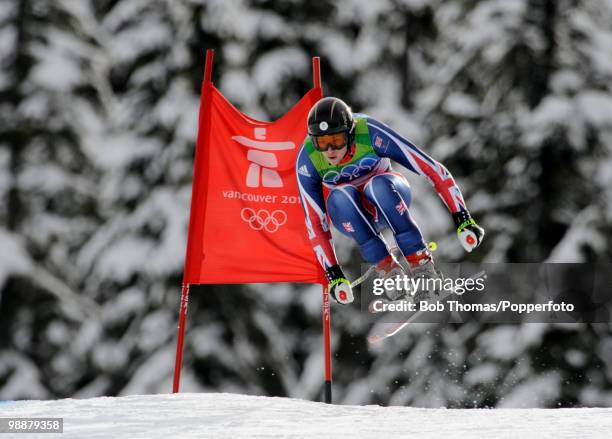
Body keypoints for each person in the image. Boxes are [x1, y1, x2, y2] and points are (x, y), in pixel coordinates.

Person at [296, 97, 485, 305]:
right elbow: (315, 222)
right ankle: (389, 272)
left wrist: (463, 218)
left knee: (377, 186)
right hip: (349, 216)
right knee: (342, 196)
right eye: (322, 143)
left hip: (390, 198)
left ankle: (421, 266)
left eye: (337, 140)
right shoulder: (309, 158)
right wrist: (334, 274)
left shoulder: (368, 132)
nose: (330, 150)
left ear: (350, 133)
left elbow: (430, 168)